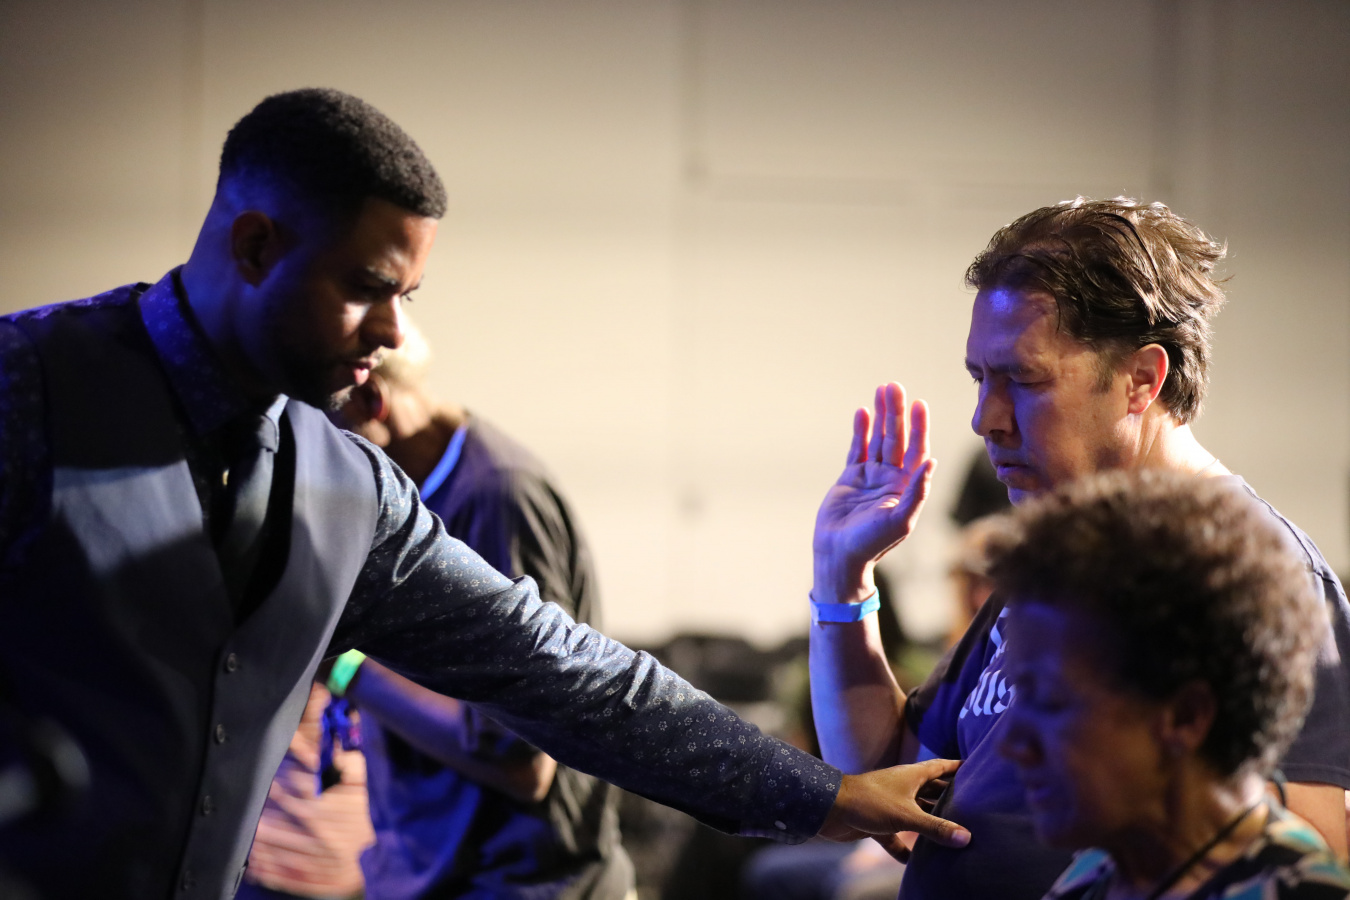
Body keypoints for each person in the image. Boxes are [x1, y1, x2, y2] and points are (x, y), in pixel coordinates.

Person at [0, 88, 968, 900]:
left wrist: (825, 795)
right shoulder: (26, 388)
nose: (392, 331)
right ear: (254, 246)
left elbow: (563, 673)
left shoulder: (348, 488)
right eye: (367, 286)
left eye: (407, 297)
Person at [807, 198, 1350, 900]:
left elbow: (1304, 854)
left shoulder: (1251, 570)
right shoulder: (1073, 553)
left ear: (1142, 380)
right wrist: (843, 580)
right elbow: (891, 777)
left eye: (1024, 380)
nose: (985, 419)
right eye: (980, 378)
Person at [334, 317, 633, 899]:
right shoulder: (408, 499)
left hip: (519, 885)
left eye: (316, 427)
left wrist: (343, 665)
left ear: (371, 400)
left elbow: (521, 763)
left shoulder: (499, 498)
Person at [994, 470, 1350, 900]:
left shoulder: (1297, 892)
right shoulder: (1100, 873)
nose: (1012, 744)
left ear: (1185, 718)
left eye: (1050, 701)